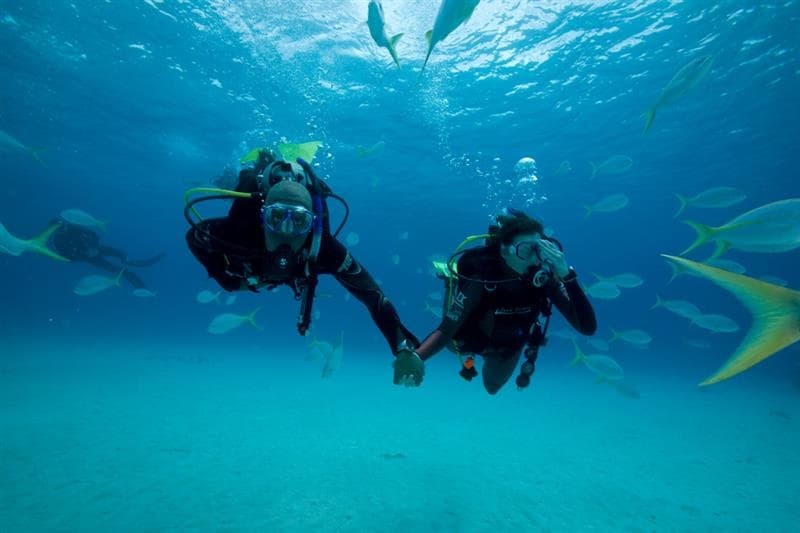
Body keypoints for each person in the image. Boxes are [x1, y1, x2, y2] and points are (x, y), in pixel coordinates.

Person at [185, 148, 421, 383]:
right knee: (240, 180)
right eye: (276, 218)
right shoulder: (240, 228)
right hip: (253, 195)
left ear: (311, 224)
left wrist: (402, 348)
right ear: (262, 216)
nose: (286, 232)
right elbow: (193, 237)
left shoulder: (323, 247)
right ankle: (252, 166)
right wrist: (229, 282)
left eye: (298, 221)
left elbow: (373, 296)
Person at [396, 209, 597, 394]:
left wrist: (567, 276)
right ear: (505, 251)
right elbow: (447, 329)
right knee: (452, 342)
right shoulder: (482, 279)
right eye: (526, 250)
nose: (535, 260)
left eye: (540, 249)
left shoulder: (547, 280)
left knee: (492, 388)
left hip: (508, 346)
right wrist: (417, 357)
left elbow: (587, 328)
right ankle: (451, 281)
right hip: (469, 338)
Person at [48, 220, 165, 289]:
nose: (62, 229)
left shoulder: (72, 228)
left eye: (62, 226)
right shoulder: (57, 241)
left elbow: (93, 233)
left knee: (122, 255)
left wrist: (93, 247)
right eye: (58, 229)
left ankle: (142, 263)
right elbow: (66, 258)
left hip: (96, 249)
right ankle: (142, 289)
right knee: (119, 271)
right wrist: (83, 256)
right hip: (89, 258)